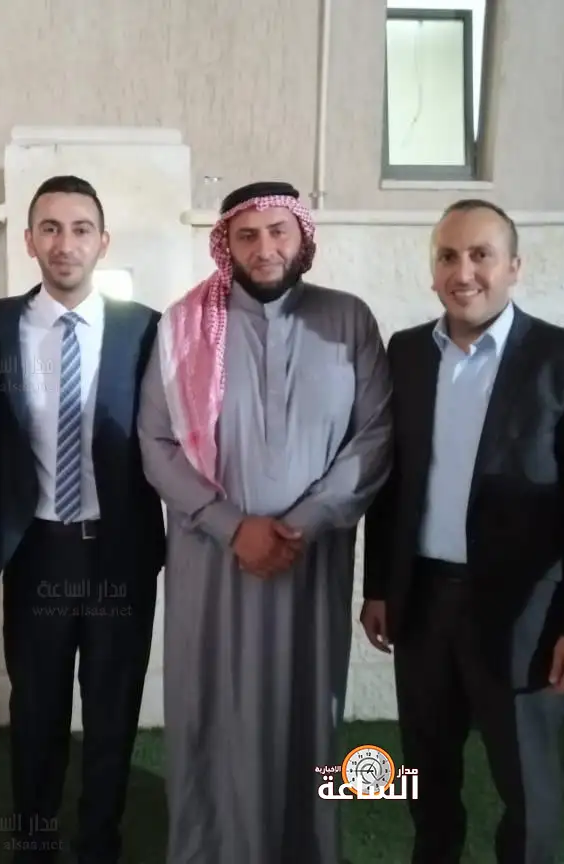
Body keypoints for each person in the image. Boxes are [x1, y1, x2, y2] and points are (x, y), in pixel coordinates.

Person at [360, 199, 564, 864]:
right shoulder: (406, 353)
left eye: (481, 255)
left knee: (526, 790)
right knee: (425, 778)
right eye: (448, 256)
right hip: (423, 605)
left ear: (514, 267)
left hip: (525, 619)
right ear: (432, 271)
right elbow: (392, 483)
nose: (464, 272)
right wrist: (379, 588)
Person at [137, 180, 394, 864]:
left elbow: (373, 438)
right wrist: (232, 526)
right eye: (247, 235)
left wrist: (299, 525)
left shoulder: (348, 320)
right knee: (211, 709)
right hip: (212, 564)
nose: (265, 248)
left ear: (303, 235)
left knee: (306, 708)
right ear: (226, 244)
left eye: (279, 231)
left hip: (309, 564)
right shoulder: (185, 324)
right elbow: (155, 443)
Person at [0, 174, 165, 863]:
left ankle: (99, 845)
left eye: (81, 229)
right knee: (37, 713)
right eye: (50, 228)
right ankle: (34, 845)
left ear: (102, 241)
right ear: (29, 240)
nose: (65, 243)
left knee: (113, 715)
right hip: (37, 551)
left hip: (120, 551)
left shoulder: (144, 328)